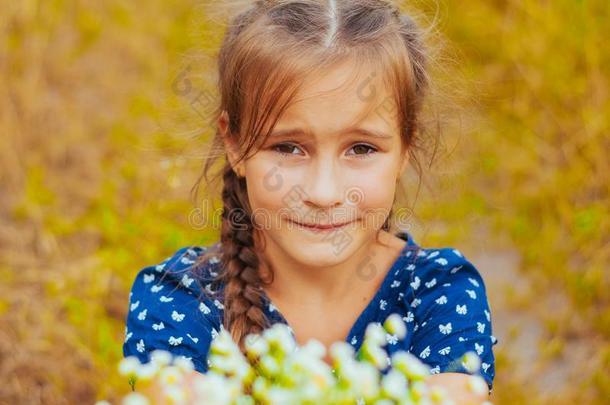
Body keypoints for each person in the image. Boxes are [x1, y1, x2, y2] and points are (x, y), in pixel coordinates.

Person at [123, 0, 498, 401]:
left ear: (407, 146)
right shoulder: (178, 298)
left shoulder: (440, 293)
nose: (323, 193)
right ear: (234, 144)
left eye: (361, 148)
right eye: (287, 147)